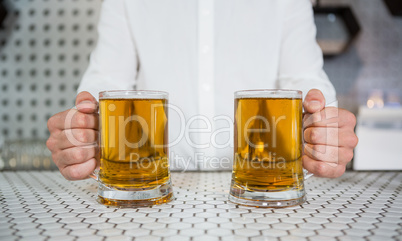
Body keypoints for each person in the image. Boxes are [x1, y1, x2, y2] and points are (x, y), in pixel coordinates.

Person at [46, 0, 358, 180]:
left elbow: (305, 82)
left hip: (264, 197)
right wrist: (85, 132)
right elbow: (106, 86)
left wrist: (321, 129)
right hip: (148, 198)